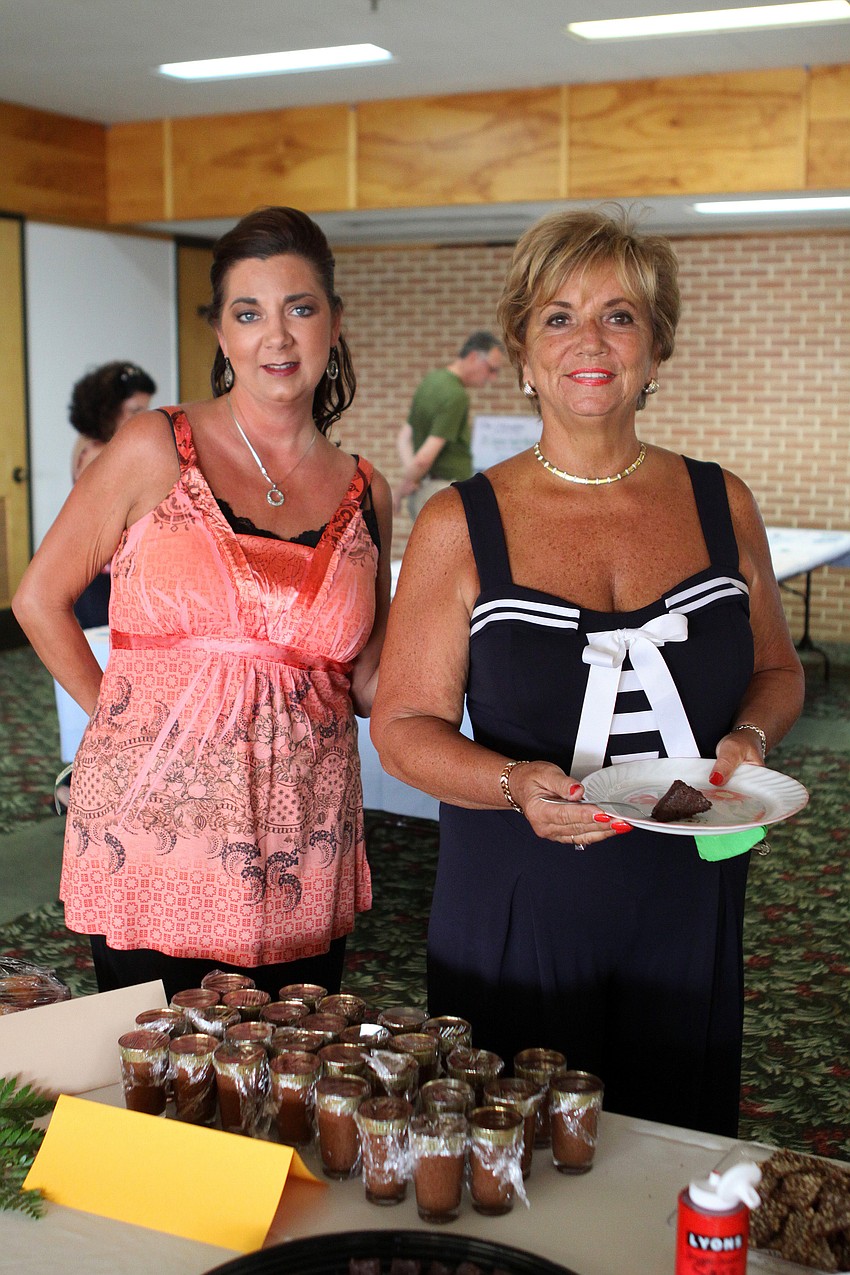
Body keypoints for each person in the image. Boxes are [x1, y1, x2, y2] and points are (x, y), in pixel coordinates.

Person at [371, 207, 804, 1137]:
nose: (590, 342)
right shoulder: (460, 521)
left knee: (670, 1146)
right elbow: (402, 725)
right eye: (558, 317)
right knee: (517, 1158)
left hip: (687, 891)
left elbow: (776, 667)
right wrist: (510, 780)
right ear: (523, 353)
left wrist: (749, 740)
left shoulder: (719, 500)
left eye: (620, 315)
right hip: (518, 899)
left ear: (656, 348)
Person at [14, 206, 392, 1001]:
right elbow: (39, 597)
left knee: (287, 1072)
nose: (276, 338)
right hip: (156, 831)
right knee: (167, 1081)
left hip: (304, 839)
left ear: (334, 321)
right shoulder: (156, 444)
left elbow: (366, 681)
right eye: (248, 313)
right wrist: (118, 718)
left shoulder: (367, 492)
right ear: (221, 334)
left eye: (300, 307)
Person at [68, 361, 156, 627]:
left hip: (98, 567)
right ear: (109, 409)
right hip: (100, 573)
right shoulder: (99, 453)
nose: (143, 418)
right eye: (135, 410)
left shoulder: (90, 442)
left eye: (146, 409)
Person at [394, 331, 504, 519]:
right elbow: (424, 459)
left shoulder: (430, 381)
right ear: (473, 357)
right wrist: (401, 488)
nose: (492, 378)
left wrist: (413, 477)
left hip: (423, 491)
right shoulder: (456, 395)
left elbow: (403, 437)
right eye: (491, 369)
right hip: (443, 492)